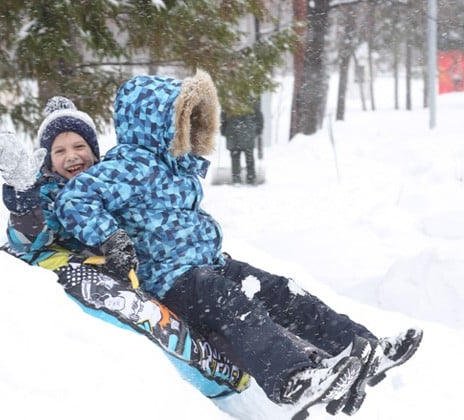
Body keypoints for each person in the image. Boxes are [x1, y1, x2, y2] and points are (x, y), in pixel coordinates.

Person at [53, 70, 423, 415]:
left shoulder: (177, 168)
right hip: (171, 279)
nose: (186, 130)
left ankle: (360, 345)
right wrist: (110, 236)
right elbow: (73, 200)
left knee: (282, 292)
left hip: (209, 265)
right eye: (179, 122)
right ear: (154, 124)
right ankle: (292, 379)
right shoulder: (127, 165)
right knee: (235, 306)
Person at [0, 96, 250, 397]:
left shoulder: (113, 181)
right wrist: (24, 199)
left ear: (94, 151)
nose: (71, 156)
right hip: (100, 270)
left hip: (145, 269)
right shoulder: (50, 192)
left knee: (204, 306)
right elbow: (31, 240)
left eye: (79, 147)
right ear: (47, 161)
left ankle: (234, 355)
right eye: (59, 151)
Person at [220, 99, 263, 184]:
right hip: (248, 133)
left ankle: (236, 178)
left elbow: (223, 118)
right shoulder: (251, 100)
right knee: (249, 156)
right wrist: (258, 130)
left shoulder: (229, 100)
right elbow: (259, 117)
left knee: (235, 157)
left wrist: (223, 131)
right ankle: (251, 177)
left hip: (233, 133)